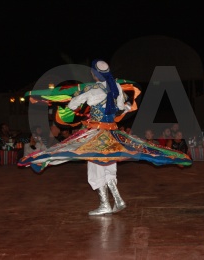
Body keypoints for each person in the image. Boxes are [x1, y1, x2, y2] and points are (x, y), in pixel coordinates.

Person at [18, 59, 192, 216]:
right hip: (112, 134)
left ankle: (105, 204)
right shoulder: (116, 87)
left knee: (95, 168)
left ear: (94, 74)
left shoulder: (92, 90)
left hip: (95, 134)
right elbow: (122, 107)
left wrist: (72, 103)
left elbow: (72, 105)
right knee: (109, 167)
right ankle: (118, 201)